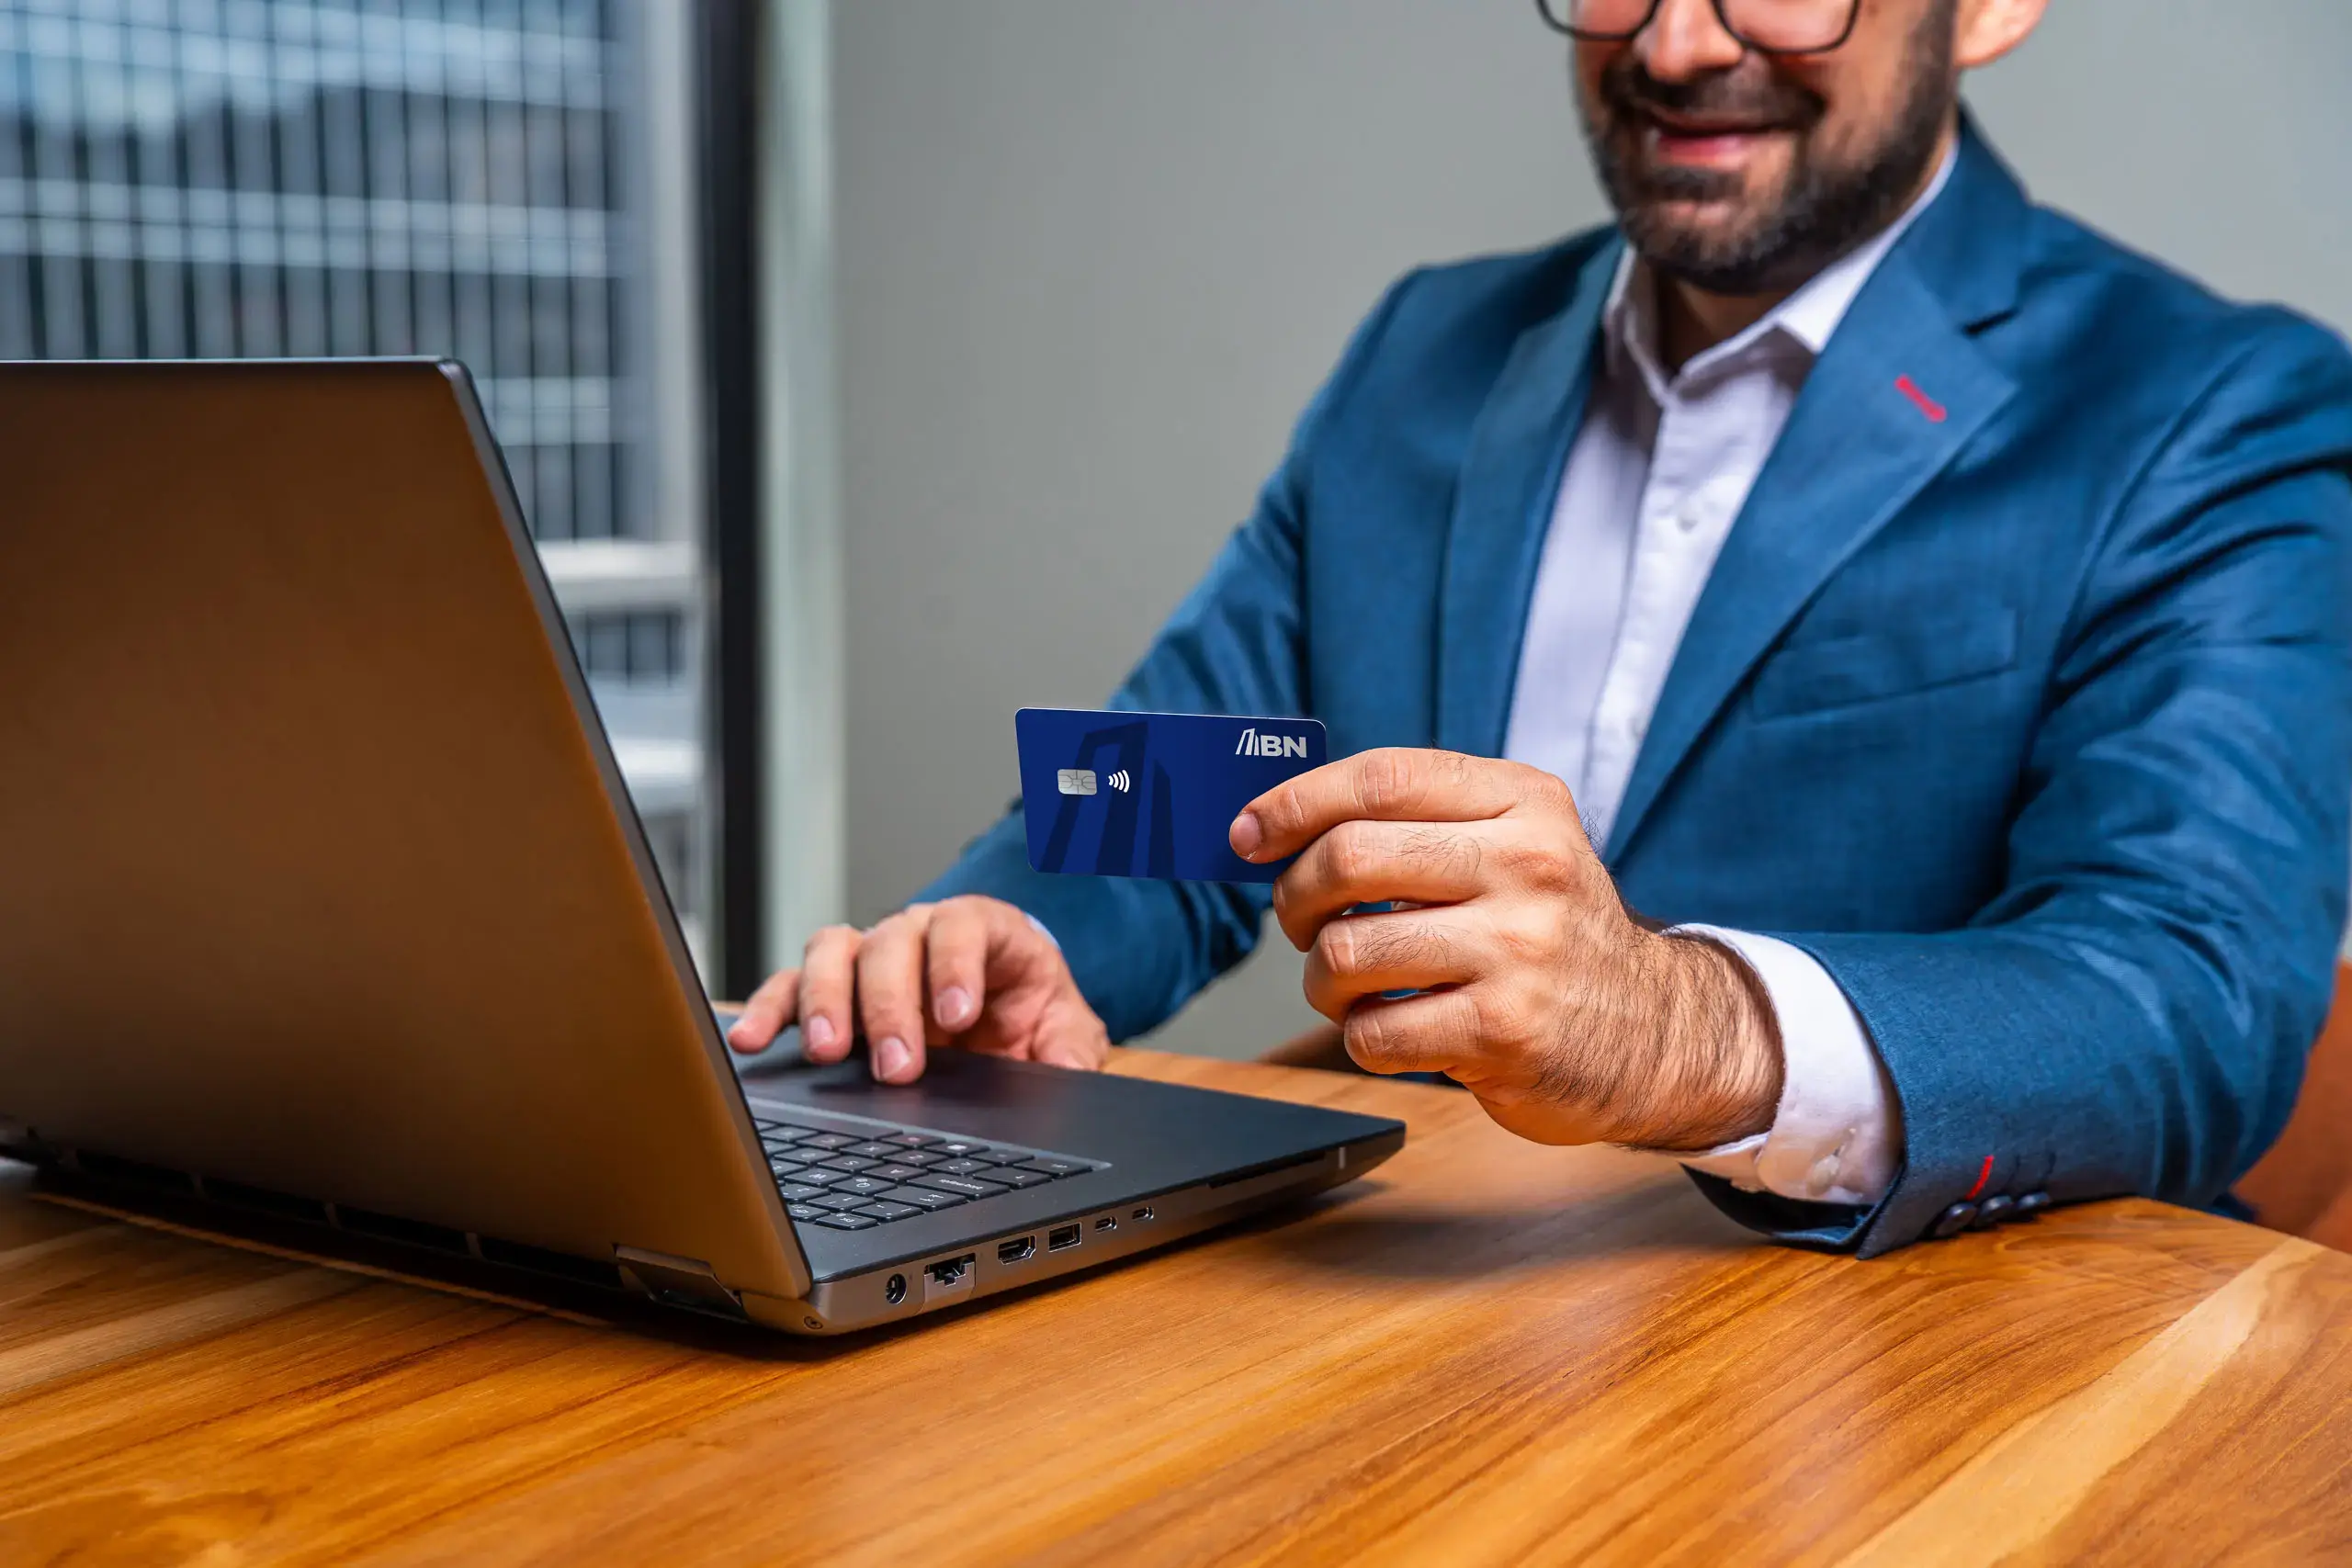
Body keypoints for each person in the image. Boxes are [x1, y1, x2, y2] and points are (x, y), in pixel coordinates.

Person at [729, 0, 2352, 1254]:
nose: (1675, 41)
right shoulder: (1424, 350)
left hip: (1908, 1394)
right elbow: (1179, 779)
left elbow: (2185, 994)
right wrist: (986, 947)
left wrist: (1675, 1025)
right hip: (1414, 1338)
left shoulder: (2220, 407)